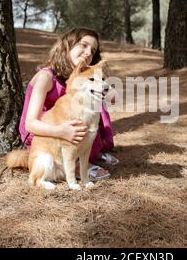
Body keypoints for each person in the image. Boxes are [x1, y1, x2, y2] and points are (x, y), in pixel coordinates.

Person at [18, 27, 119, 181]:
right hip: (47, 133)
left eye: (93, 51)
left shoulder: (82, 77)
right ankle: (78, 166)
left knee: (94, 100)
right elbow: (30, 124)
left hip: (71, 128)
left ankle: (89, 154)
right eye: (83, 45)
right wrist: (60, 131)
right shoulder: (45, 77)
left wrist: (102, 85)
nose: (88, 52)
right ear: (67, 46)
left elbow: (113, 97)